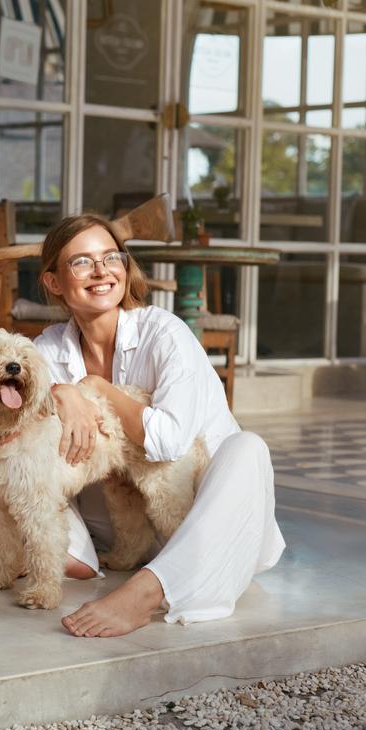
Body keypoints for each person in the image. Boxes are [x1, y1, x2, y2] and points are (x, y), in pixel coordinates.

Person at [32, 213, 285, 637]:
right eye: (81, 262)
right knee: (21, 453)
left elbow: (166, 443)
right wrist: (62, 393)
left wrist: (96, 387)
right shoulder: (49, 347)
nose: (101, 271)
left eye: (111, 258)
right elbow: (16, 412)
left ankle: (147, 592)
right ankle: (68, 555)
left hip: (214, 523)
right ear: (55, 282)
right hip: (123, 533)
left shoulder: (165, 333)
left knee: (249, 448)